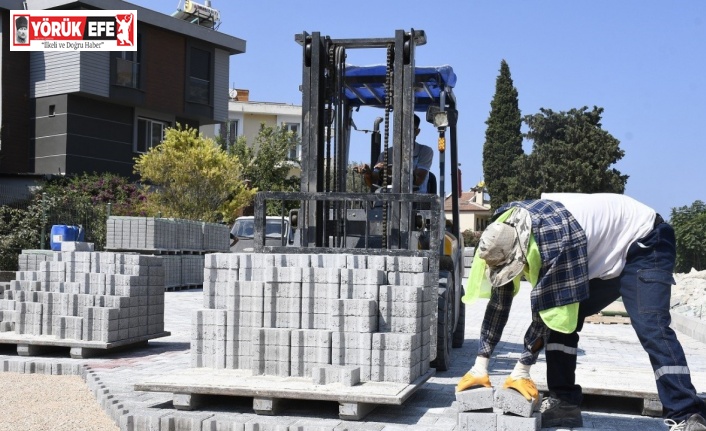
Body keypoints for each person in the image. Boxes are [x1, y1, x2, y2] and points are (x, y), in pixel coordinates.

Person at [456, 193, 706, 431]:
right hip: (600, 253)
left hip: (645, 241)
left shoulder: (552, 242)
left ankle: (686, 413)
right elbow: (499, 305)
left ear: (521, 251)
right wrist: (481, 363)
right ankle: (564, 402)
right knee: (564, 318)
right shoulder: (498, 234)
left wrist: (522, 369)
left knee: (651, 325)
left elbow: (545, 310)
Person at [355, 114, 433, 193]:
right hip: (389, 200)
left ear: (417, 132)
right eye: (400, 130)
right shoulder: (386, 154)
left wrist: (391, 171)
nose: (403, 134)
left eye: (408, 130)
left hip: (416, 201)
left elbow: (418, 180)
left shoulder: (425, 151)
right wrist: (368, 174)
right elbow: (373, 182)